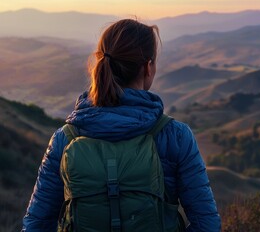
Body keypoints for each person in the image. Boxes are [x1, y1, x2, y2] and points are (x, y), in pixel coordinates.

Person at [22, 19, 221, 231]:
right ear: (148, 67)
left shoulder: (65, 139)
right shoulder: (175, 136)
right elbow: (206, 223)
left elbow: (37, 223)